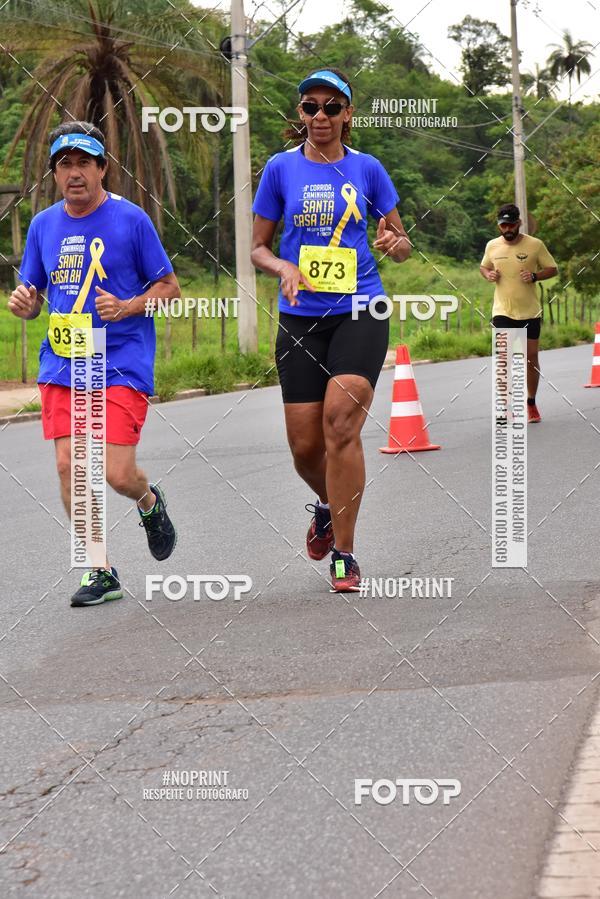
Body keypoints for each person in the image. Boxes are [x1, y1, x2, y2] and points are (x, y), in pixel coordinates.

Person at [251, 68, 411, 591]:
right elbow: (257, 248)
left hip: (361, 308)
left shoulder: (368, 169)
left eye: (331, 106)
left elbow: (400, 240)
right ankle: (326, 506)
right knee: (304, 447)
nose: (321, 115)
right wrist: (284, 268)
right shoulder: (279, 170)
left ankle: (345, 552)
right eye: (310, 106)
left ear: (348, 114)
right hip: (300, 317)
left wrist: (395, 244)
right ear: (300, 115)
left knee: (341, 424)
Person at [9, 121, 179, 607]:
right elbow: (34, 293)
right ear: (55, 175)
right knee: (69, 466)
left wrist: (127, 307)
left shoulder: (131, 221)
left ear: (103, 168)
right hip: (64, 361)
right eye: (65, 164)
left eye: (85, 162)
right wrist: (25, 304)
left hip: (121, 359)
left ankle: (149, 502)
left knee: (117, 474)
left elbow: (169, 289)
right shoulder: (43, 225)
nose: (75, 172)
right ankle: (98, 569)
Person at [480, 203, 558, 422]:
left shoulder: (535, 245)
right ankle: (505, 407)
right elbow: (483, 266)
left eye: (511, 224)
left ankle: (531, 402)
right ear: (499, 226)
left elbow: (553, 268)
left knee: (530, 359)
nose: (508, 229)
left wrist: (534, 276)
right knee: (503, 359)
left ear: (519, 223)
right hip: (502, 310)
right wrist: (488, 275)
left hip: (530, 311)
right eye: (504, 225)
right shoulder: (492, 246)